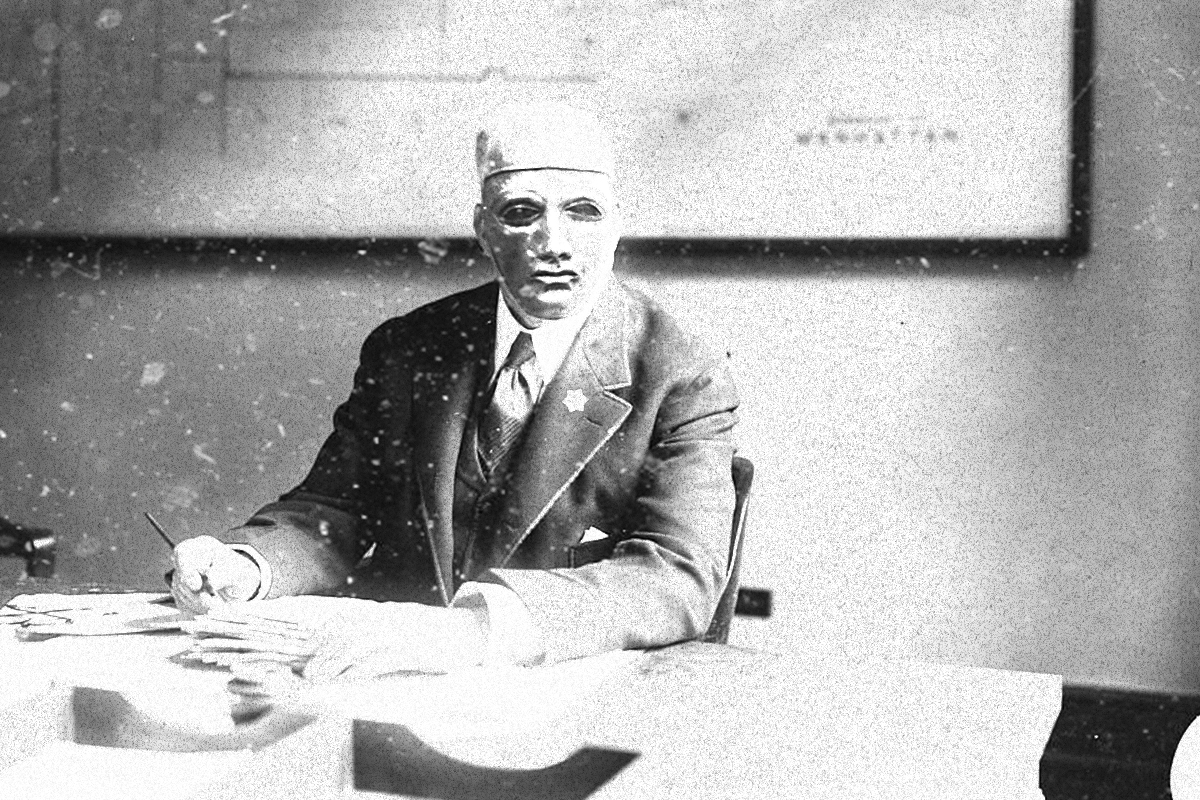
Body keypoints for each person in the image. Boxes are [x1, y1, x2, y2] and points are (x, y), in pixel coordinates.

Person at [170, 102, 740, 679]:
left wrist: (473, 629)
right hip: (383, 684)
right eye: (521, 214)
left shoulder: (680, 370)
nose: (554, 243)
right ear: (483, 230)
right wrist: (247, 564)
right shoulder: (410, 346)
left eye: (583, 213)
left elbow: (676, 572)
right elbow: (336, 508)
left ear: (616, 227)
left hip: (559, 695)